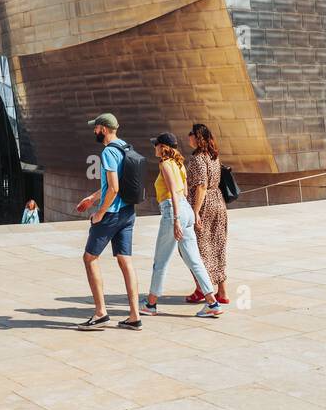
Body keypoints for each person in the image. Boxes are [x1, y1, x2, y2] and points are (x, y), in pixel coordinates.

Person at [141, 134, 222, 318]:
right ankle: (212, 303)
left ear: (163, 147)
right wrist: (188, 215)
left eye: (156, 145)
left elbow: (172, 193)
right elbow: (184, 191)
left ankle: (151, 305)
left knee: (160, 261)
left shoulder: (165, 164)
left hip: (173, 211)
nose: (155, 148)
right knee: (195, 260)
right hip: (185, 210)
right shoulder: (180, 165)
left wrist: (176, 219)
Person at [75, 112, 141, 331]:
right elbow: (113, 183)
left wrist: (100, 213)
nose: (94, 131)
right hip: (128, 212)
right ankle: (134, 316)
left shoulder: (108, 152)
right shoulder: (125, 147)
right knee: (125, 261)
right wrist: (93, 198)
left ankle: (101, 313)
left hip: (111, 214)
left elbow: (114, 188)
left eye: (96, 127)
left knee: (89, 258)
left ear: (103, 129)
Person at [185, 122, 230, 306]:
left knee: (197, 250)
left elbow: (201, 186)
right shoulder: (214, 155)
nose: (188, 136)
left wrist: (195, 211)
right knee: (217, 247)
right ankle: (222, 292)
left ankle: (200, 289)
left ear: (197, 137)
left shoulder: (197, 158)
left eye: (191, 134)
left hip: (204, 206)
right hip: (218, 202)